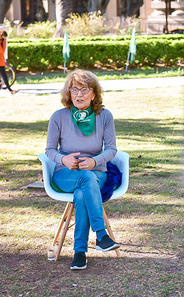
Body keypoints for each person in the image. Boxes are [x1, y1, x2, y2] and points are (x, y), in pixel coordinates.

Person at [45, 69, 120, 270]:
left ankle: (79, 253)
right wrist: (64, 159)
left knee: (81, 194)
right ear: (68, 93)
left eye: (85, 90)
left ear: (94, 94)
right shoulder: (58, 117)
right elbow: (49, 151)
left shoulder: (104, 116)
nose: (79, 94)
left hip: (96, 173)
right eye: (74, 89)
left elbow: (112, 149)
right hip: (65, 173)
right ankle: (101, 235)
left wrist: (95, 162)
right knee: (84, 180)